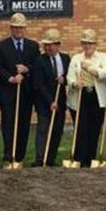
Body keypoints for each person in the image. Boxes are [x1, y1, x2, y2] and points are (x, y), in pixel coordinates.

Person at [0, 12, 39, 165]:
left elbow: (37, 66)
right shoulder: (1, 45)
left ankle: (19, 157)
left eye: (21, 27)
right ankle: (8, 156)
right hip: (7, 93)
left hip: (26, 93)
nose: (18, 30)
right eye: (15, 27)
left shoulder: (33, 46)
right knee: (8, 124)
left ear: (25, 28)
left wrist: (26, 69)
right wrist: (11, 78)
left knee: (24, 125)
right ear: (11, 28)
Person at [66, 29, 106, 167]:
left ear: (95, 44)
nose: (87, 46)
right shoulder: (76, 58)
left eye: (90, 43)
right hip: (80, 96)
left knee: (95, 128)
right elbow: (70, 76)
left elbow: (105, 74)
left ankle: (91, 159)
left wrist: (90, 69)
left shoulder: (103, 57)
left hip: (97, 98)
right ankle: (79, 158)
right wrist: (74, 83)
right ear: (81, 44)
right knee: (81, 128)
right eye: (85, 43)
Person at [33, 28, 70, 167]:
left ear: (58, 45)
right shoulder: (39, 61)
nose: (47, 47)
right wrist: (50, 101)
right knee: (43, 129)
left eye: (51, 44)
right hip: (44, 101)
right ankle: (39, 160)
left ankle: (50, 159)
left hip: (60, 101)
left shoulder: (66, 58)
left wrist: (64, 79)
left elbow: (70, 76)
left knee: (57, 130)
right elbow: (39, 84)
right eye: (46, 45)